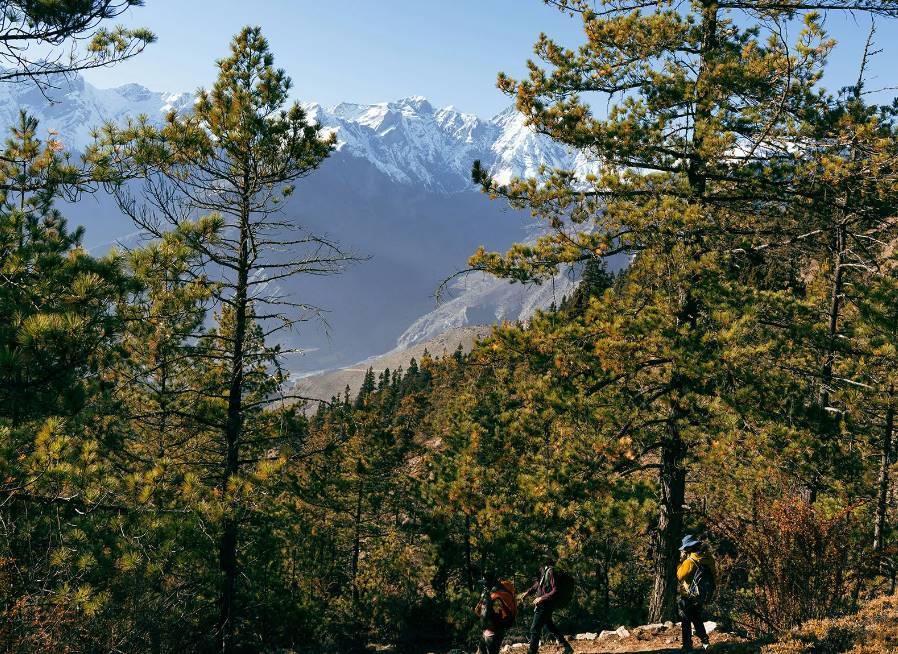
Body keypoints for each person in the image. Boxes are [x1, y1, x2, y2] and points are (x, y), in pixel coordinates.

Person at [519, 557, 574, 654]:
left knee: (534, 629)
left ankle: (532, 651)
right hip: (544, 604)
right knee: (550, 626)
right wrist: (528, 592)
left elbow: (555, 590)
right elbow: (538, 584)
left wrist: (541, 598)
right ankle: (567, 647)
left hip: (545, 605)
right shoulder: (543, 570)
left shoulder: (551, 572)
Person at [677, 534, 717, 652]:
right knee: (697, 619)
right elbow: (714, 574)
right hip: (702, 595)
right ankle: (705, 643)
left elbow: (679, 576)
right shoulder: (709, 558)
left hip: (689, 596)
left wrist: (681, 561)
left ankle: (688, 647)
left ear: (688, 548)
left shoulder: (689, 561)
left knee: (686, 621)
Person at [473, 572, 517, 654]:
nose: (484, 586)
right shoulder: (502, 587)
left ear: (490, 583)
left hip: (493, 633)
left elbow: (496, 616)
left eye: (485, 584)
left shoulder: (495, 597)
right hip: (489, 632)